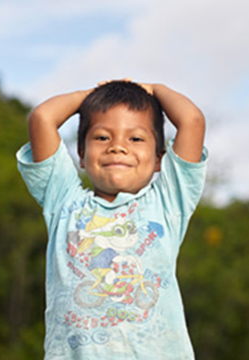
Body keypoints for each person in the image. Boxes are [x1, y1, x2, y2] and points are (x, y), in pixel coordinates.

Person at [16, 80, 207, 359]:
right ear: (81, 154)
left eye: (136, 138)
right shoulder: (63, 200)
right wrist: (89, 96)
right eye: (103, 137)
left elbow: (192, 120)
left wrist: (153, 89)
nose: (118, 147)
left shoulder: (168, 202)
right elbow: (43, 118)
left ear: (158, 159)